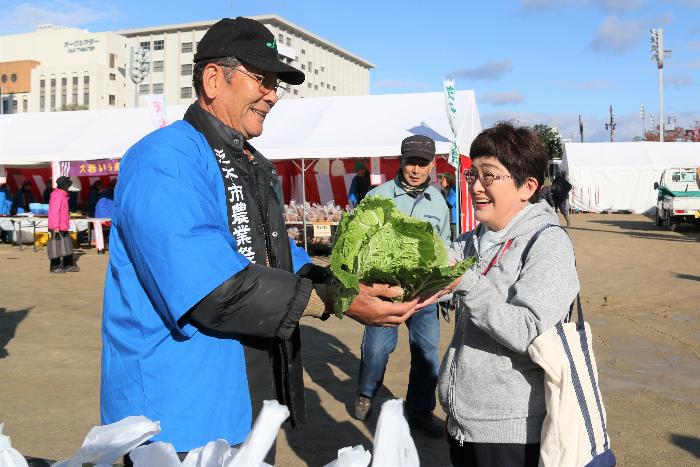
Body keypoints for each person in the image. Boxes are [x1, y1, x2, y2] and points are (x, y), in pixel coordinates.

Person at [101, 17, 418, 460]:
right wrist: (335, 302)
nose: (272, 94)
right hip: (181, 412)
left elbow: (281, 259)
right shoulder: (165, 158)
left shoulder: (250, 162)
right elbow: (212, 289)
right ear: (213, 79)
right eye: (261, 79)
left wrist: (344, 286)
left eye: (276, 83)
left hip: (247, 400)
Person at [428, 122, 579, 466]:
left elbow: (527, 330)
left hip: (511, 433)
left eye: (489, 176)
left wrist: (465, 282)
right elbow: (436, 275)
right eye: (472, 175)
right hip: (463, 424)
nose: (476, 187)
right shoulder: (475, 238)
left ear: (527, 186)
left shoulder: (548, 244)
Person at [353, 134, 450, 437]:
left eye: (423, 163)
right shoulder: (377, 196)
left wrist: (445, 287)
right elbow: (359, 240)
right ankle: (367, 391)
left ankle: (419, 410)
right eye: (411, 162)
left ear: (433, 165)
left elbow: (444, 245)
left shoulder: (439, 203)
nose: (416, 169)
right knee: (378, 349)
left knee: (427, 352)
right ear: (401, 161)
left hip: (424, 293)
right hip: (385, 292)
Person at [48, 176, 79, 273]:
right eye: (68, 185)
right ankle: (54, 267)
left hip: (62, 225)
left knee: (67, 246)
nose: (69, 187)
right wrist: (55, 226)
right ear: (64, 186)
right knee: (56, 247)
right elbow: (54, 212)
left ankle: (68, 265)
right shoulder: (58, 195)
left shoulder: (62, 195)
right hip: (57, 226)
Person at [439, 173, 457, 241]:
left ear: (448, 180)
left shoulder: (454, 190)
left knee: (454, 238)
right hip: (446, 219)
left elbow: (449, 203)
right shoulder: (444, 189)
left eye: (443, 179)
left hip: (453, 220)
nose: (441, 181)